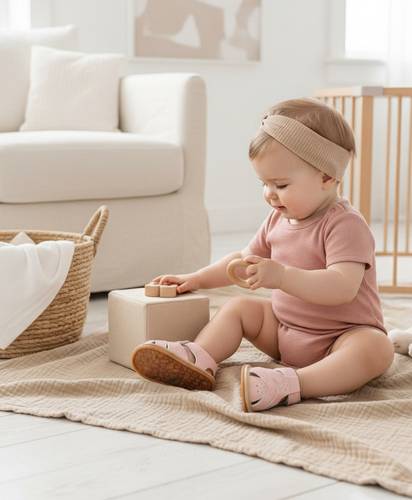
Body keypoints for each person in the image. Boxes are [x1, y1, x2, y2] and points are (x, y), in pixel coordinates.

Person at [131, 97, 394, 413]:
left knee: (376, 348)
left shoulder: (345, 224)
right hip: (285, 332)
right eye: (264, 183)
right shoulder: (277, 219)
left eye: (280, 184)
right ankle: (199, 357)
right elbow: (241, 262)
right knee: (239, 307)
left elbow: (342, 286)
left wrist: (282, 277)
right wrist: (197, 278)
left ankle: (293, 384)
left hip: (339, 339)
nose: (269, 193)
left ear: (326, 177)